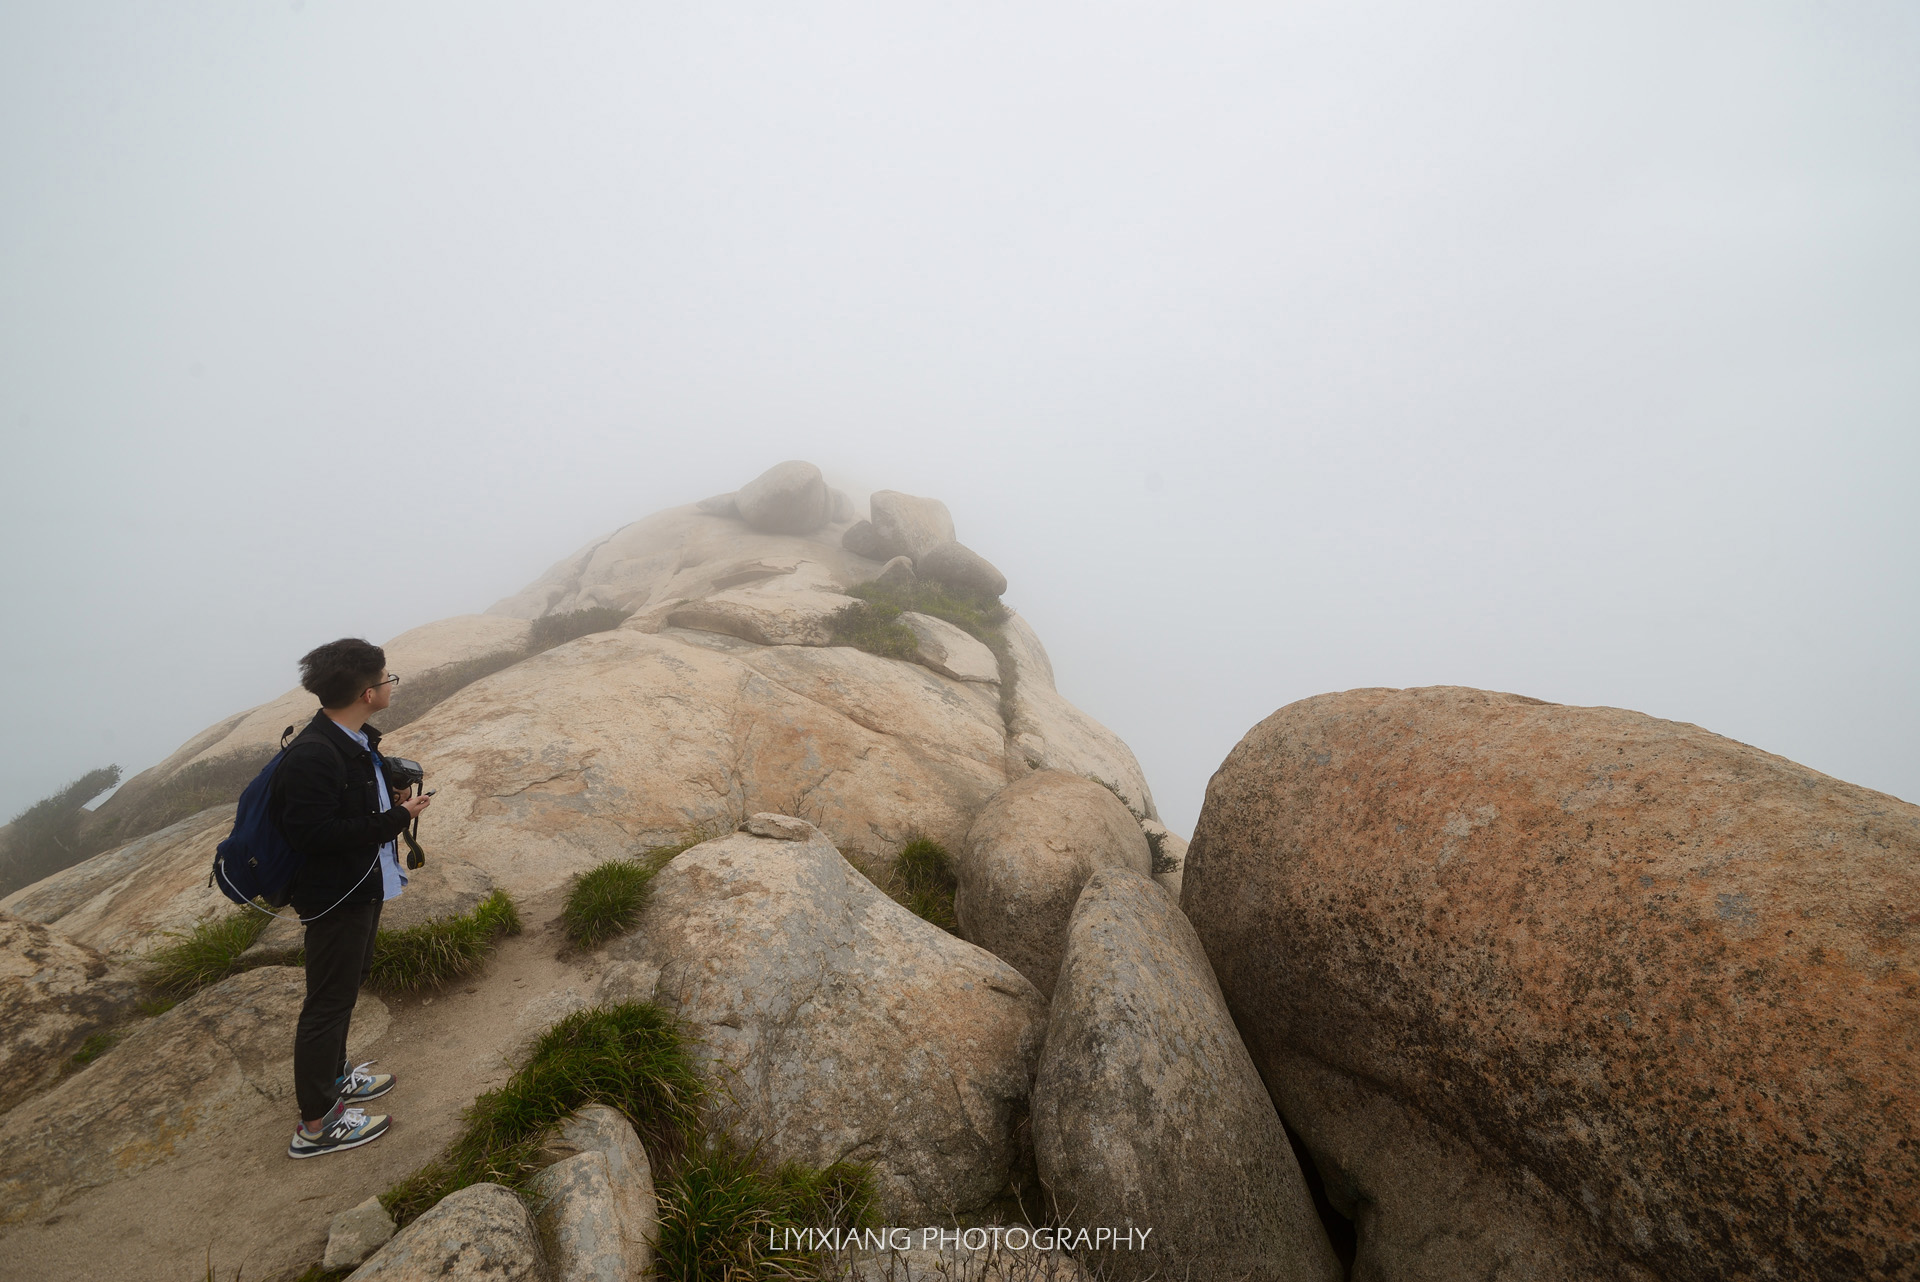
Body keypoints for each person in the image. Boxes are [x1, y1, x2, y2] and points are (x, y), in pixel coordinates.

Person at [273, 637, 431, 1158]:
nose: (390, 685)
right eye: (387, 679)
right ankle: (316, 1125)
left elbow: (347, 810)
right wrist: (398, 818)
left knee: (347, 986)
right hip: (335, 895)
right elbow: (314, 835)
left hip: (362, 884)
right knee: (327, 1004)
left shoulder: (352, 738)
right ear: (367, 691)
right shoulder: (314, 754)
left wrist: (390, 794)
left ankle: (335, 1078)